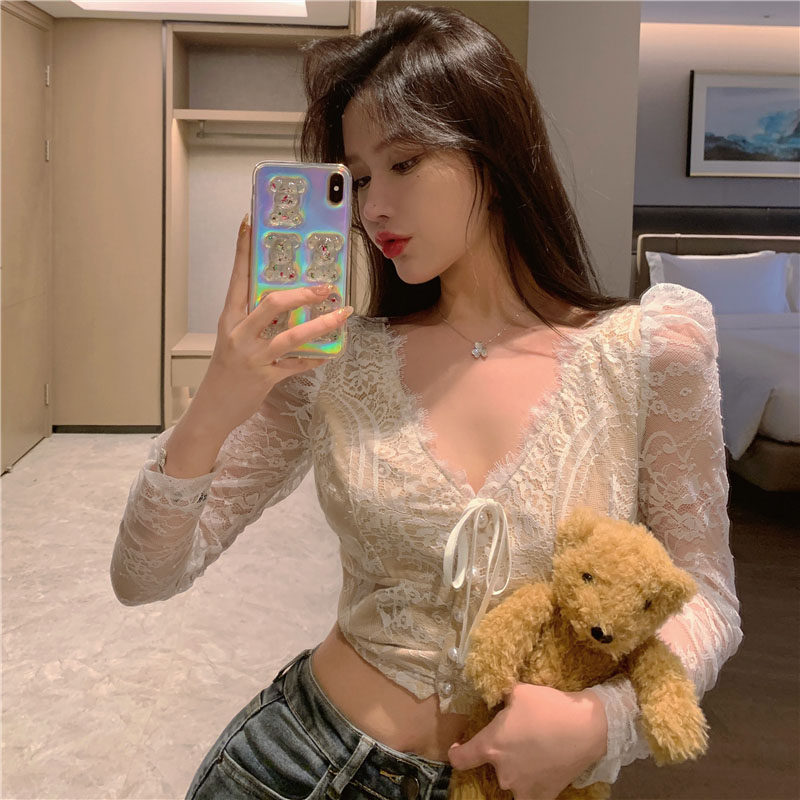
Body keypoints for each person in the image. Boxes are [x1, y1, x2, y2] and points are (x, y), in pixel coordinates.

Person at [110, 6, 743, 800]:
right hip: (296, 765)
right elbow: (144, 576)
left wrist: (600, 724)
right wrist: (214, 405)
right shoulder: (335, 363)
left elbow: (706, 595)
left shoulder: (650, 352)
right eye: (358, 178)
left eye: (403, 163)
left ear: (494, 153)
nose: (372, 208)